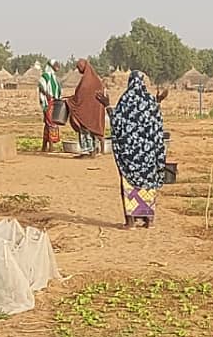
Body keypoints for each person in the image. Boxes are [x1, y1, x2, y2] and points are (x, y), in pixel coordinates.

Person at [96, 71, 168, 229]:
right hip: (148, 155)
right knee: (148, 185)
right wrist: (158, 102)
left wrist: (107, 105)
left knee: (129, 186)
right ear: (143, 83)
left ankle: (130, 222)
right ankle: (149, 221)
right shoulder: (149, 101)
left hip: (130, 156)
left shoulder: (125, 101)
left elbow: (117, 123)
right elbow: (156, 123)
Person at [65, 59, 107, 157]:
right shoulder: (97, 81)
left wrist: (69, 101)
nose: (79, 70)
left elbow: (80, 97)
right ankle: (94, 149)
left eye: (79, 67)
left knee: (84, 129)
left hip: (86, 111)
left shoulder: (85, 82)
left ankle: (87, 151)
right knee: (93, 128)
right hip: (95, 111)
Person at [37, 60, 62, 152]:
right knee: (51, 122)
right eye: (56, 65)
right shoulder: (45, 76)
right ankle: (51, 146)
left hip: (54, 101)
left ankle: (44, 146)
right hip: (48, 102)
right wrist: (47, 94)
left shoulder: (54, 77)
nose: (58, 66)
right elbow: (41, 86)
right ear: (51, 66)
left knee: (48, 123)